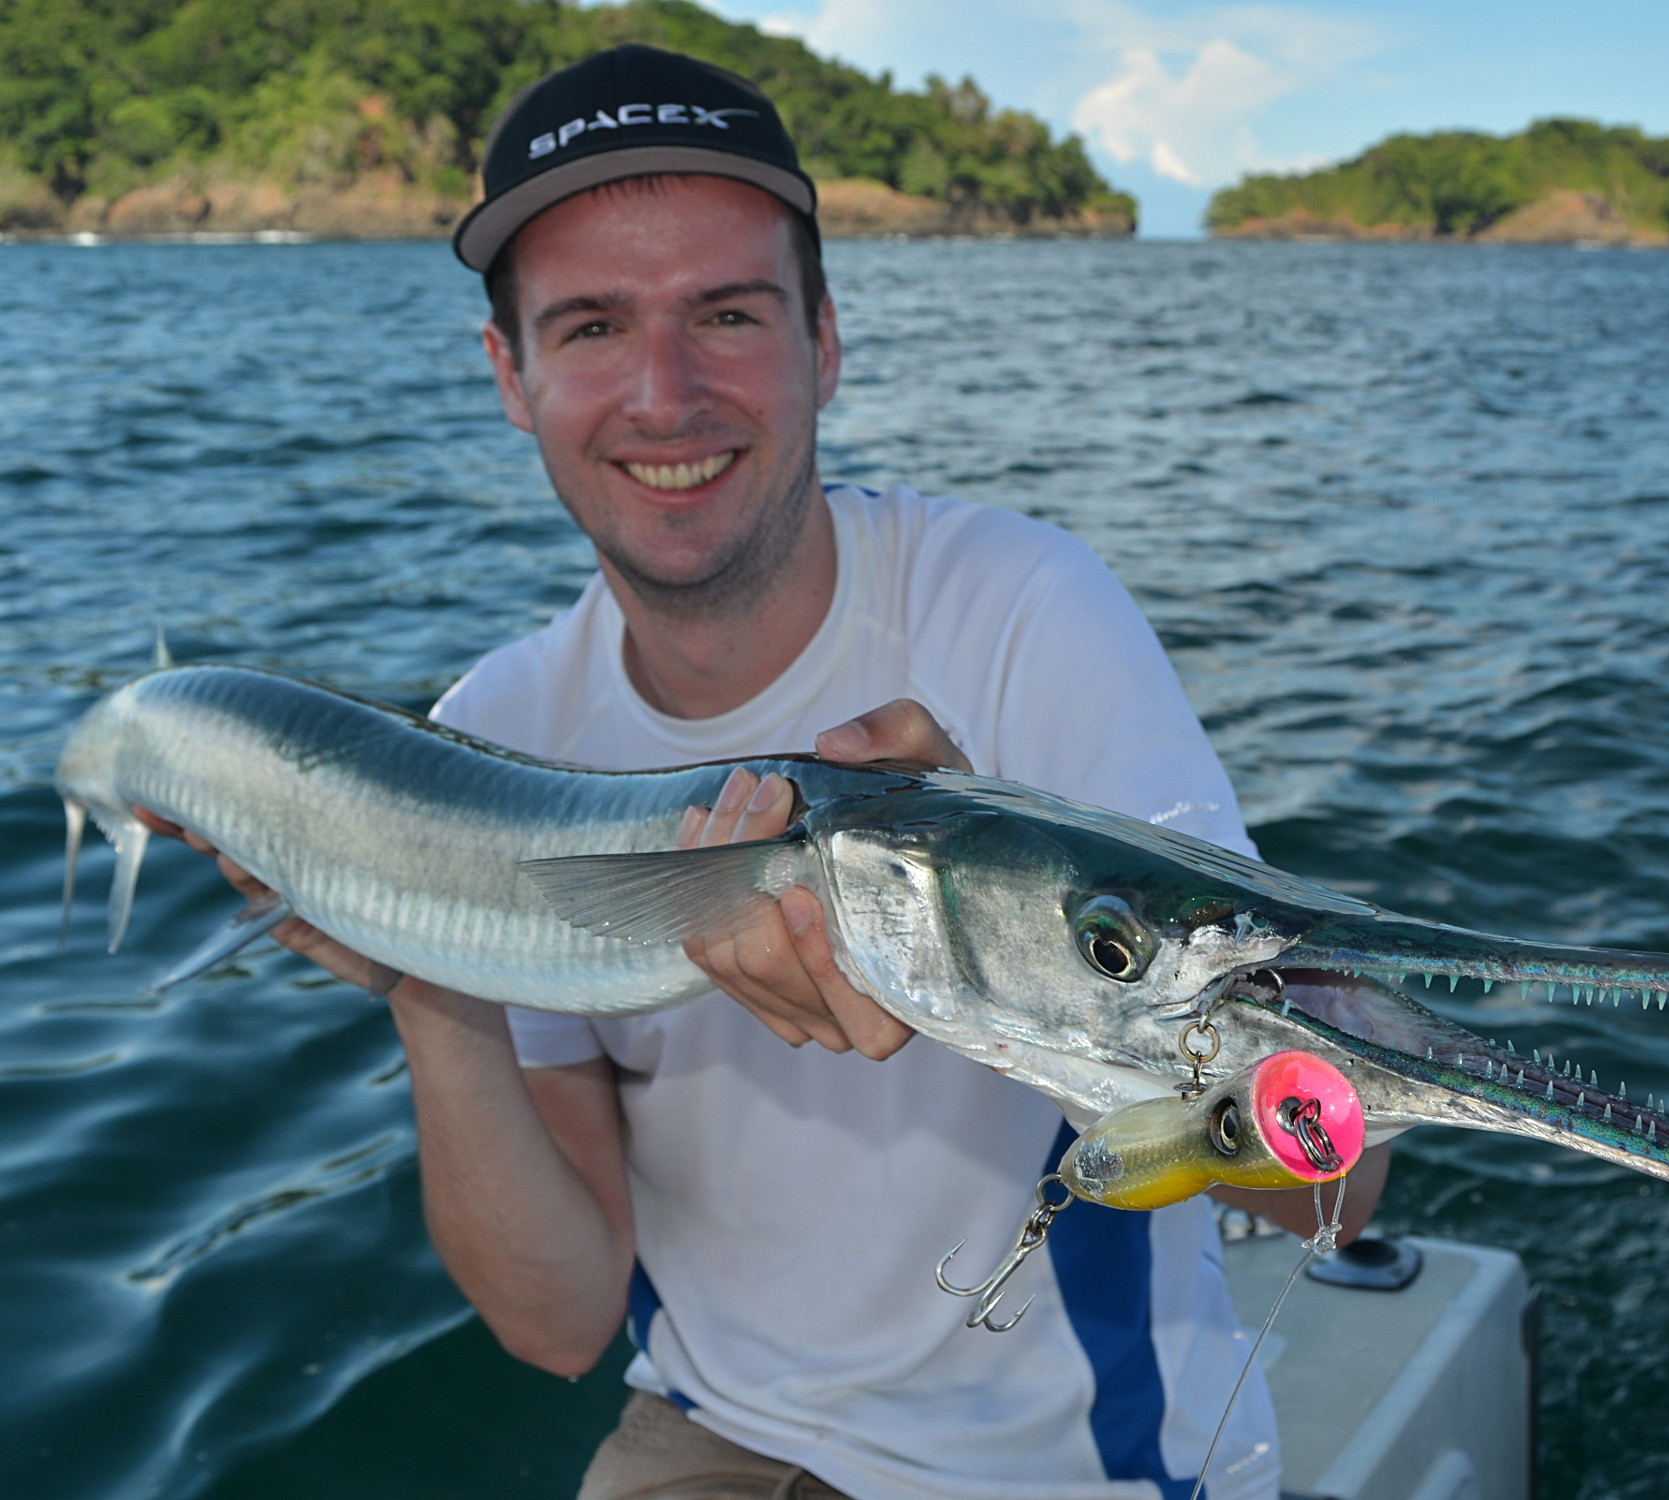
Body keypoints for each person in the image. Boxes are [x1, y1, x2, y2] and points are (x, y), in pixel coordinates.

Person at [140, 44, 1387, 1500]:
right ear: (511, 374)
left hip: (1073, 1470)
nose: (665, 395)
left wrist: (999, 958)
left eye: (726, 313)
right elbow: (553, 1325)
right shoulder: (497, 722)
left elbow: (1334, 1189)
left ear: (825, 342)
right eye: (593, 325)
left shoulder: (1024, 607)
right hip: (712, 1440)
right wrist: (435, 972)